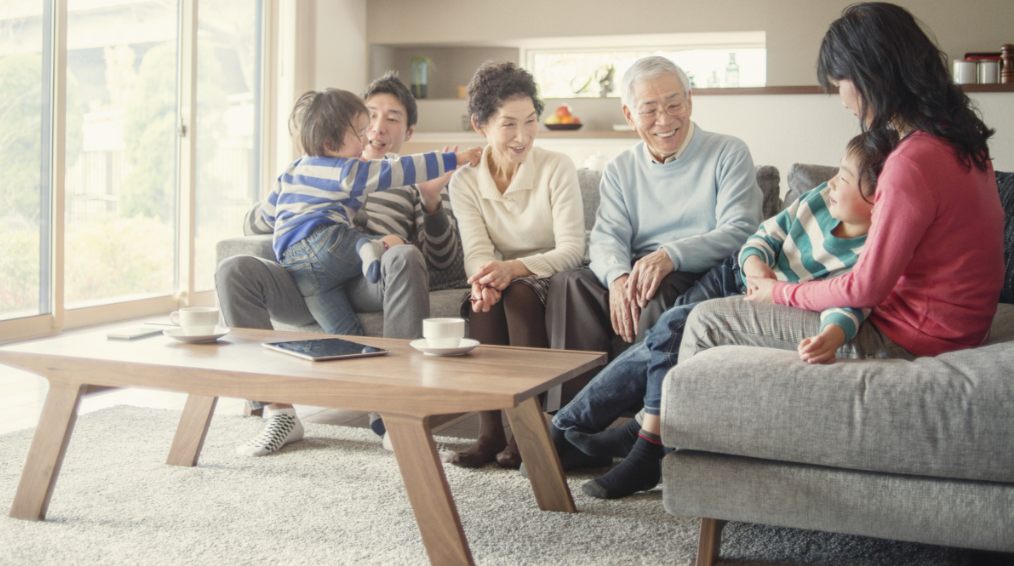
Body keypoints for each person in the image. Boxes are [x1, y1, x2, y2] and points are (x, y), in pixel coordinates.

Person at [678, 1, 1006, 480]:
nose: (844, 101)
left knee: (706, 321)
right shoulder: (962, 141)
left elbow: (864, 290)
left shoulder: (912, 162)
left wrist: (778, 293)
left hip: (915, 335)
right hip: (960, 325)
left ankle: (688, 463)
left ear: (872, 73)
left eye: (840, 85)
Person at [562, 132, 881, 499]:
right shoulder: (819, 200)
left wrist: (831, 336)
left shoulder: (871, 251)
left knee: (674, 326)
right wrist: (756, 264)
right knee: (664, 337)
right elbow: (763, 234)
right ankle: (618, 432)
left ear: (877, 198)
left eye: (843, 177)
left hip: (765, 308)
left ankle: (624, 440)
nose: (831, 182)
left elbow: (850, 303)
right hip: (735, 272)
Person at [218, 73, 475, 457]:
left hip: (369, 281)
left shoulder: (410, 179)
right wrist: (292, 192)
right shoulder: (304, 171)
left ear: (408, 130)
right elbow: (257, 222)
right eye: (368, 118)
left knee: (401, 252)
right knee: (233, 269)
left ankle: (395, 417)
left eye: (392, 118)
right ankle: (279, 413)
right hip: (306, 280)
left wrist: (430, 200)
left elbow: (446, 264)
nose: (376, 127)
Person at [544, 55, 763, 407]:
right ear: (630, 116)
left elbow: (741, 231)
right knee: (568, 283)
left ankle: (646, 419)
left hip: (695, 272)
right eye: (649, 110)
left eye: (674, 104)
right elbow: (606, 237)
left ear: (689, 102)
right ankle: (566, 418)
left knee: (655, 289)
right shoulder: (620, 168)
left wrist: (669, 256)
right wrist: (617, 278)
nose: (664, 120)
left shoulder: (728, 152)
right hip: (637, 269)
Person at [446, 61, 586, 469]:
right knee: (483, 301)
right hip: (501, 275)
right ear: (480, 125)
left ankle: (528, 430)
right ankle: (489, 433)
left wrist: (511, 270)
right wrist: (484, 278)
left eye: (530, 121)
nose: (522, 135)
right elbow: (476, 250)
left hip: (552, 275)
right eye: (508, 124)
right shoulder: (465, 181)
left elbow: (572, 249)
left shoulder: (555, 167)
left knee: (518, 293)